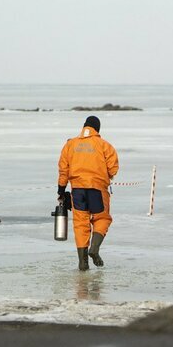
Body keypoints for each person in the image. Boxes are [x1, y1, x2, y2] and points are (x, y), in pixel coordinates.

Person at [57, 115, 119, 271]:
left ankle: (83, 262)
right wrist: (105, 175)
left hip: (77, 190)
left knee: (80, 224)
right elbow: (113, 168)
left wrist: (61, 190)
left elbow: (63, 169)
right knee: (102, 218)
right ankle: (94, 249)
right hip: (97, 189)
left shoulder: (70, 145)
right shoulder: (104, 145)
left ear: (84, 127)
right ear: (97, 129)